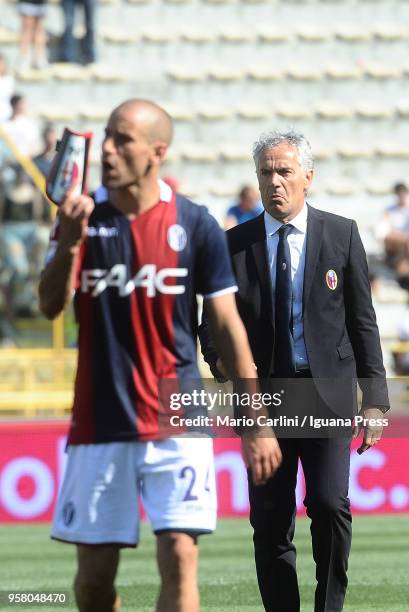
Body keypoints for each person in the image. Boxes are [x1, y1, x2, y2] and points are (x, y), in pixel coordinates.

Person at [38, 99, 281, 612]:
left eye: (121, 139)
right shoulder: (83, 215)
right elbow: (48, 304)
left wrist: (254, 417)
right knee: (94, 580)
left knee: (179, 556)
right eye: (106, 136)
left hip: (179, 413)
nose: (106, 148)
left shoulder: (195, 223)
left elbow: (227, 324)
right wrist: (68, 243)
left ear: (157, 152)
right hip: (101, 416)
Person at [199, 129, 390, 612]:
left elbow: (363, 323)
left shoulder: (340, 233)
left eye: (284, 172)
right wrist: (225, 366)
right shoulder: (232, 244)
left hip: (325, 392)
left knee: (329, 506)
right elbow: (210, 327)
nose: (274, 182)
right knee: (269, 519)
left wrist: (375, 402)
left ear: (308, 176)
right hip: (263, 399)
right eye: (265, 173)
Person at [17, 0, 48, 70]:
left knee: (39, 29)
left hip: (41, 3)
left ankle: (40, 58)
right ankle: (24, 58)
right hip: (27, 2)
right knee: (27, 29)